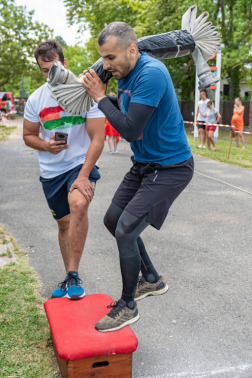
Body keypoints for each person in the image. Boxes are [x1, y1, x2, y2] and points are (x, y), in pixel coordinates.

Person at [82, 22, 194, 332]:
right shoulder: (125, 73)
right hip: (144, 164)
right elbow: (128, 111)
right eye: (103, 58)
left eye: (111, 58)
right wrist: (107, 99)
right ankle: (152, 280)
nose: (106, 66)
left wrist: (100, 97)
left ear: (132, 50)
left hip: (170, 168)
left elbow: (131, 129)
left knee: (126, 231)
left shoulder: (151, 73)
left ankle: (127, 305)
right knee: (112, 220)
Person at [23, 40, 105, 299]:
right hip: (51, 172)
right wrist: (46, 146)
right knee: (63, 225)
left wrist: (83, 176)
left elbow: (98, 139)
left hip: (79, 164)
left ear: (64, 63)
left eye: (53, 67)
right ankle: (69, 276)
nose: (50, 74)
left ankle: (73, 275)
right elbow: (28, 135)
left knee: (78, 205)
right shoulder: (36, 99)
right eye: (44, 70)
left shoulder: (86, 91)